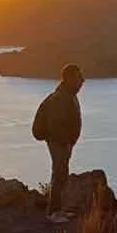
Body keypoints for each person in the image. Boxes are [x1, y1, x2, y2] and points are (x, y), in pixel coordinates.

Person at [31, 64, 84, 224]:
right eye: (78, 77)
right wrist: (66, 142)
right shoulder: (60, 98)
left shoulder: (67, 94)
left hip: (64, 142)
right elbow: (56, 124)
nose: (82, 80)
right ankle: (53, 212)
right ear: (69, 78)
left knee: (61, 173)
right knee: (59, 173)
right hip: (59, 142)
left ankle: (58, 210)